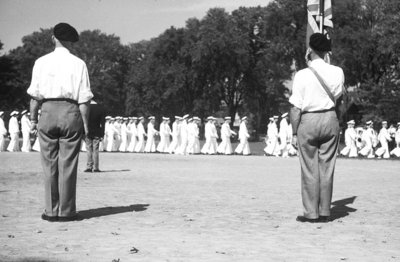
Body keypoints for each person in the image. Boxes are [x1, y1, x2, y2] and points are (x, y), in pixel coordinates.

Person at [27, 23, 93, 222]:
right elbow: (84, 100)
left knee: (49, 164)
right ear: (70, 41)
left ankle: (50, 210)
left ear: (53, 38)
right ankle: (66, 211)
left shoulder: (41, 62)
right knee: (68, 163)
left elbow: (34, 97)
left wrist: (32, 120)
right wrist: (86, 125)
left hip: (47, 111)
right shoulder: (79, 63)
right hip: (70, 112)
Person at [289, 33, 344, 223]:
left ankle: (311, 213)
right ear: (326, 51)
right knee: (327, 168)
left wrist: (295, 132)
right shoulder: (338, 71)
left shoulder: (302, 74)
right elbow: (339, 100)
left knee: (309, 168)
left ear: (309, 50)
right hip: (330, 117)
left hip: (309, 120)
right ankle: (325, 212)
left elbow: (296, 108)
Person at [84, 100, 105, 172]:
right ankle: (96, 167)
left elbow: (83, 121)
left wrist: (83, 132)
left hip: (88, 131)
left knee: (89, 150)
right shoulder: (100, 108)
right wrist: (102, 134)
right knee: (95, 150)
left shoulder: (86, 108)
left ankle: (89, 167)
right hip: (97, 132)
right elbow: (102, 123)